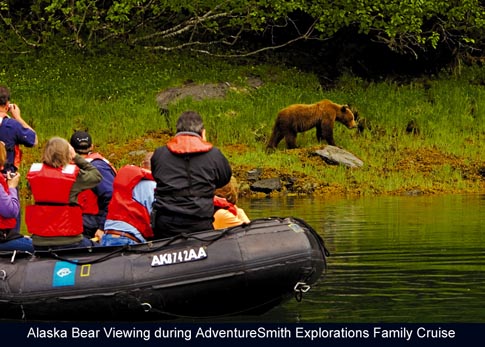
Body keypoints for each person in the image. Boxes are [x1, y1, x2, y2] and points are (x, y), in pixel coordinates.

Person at [151, 110, 232, 238]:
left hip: (165, 225)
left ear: (176, 132)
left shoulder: (160, 154)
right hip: (200, 223)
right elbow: (224, 179)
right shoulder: (214, 154)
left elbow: (156, 176)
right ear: (203, 132)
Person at [25, 137, 102, 250]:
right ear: (68, 154)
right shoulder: (74, 177)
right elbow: (97, 176)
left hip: (39, 240)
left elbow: (46, 174)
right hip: (70, 240)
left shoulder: (34, 176)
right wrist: (76, 157)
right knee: (98, 248)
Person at [0, 85, 38, 234]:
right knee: (11, 225)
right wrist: (18, 117)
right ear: (7, 105)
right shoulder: (11, 125)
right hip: (7, 180)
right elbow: (34, 140)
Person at [102, 152, 156, 246]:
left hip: (107, 235)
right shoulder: (152, 186)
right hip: (129, 239)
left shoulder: (125, 182)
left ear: (142, 164)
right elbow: (155, 218)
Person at [70, 131, 116, 239]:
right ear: (92, 146)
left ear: (71, 148)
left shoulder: (98, 167)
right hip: (79, 223)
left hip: (91, 225)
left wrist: (102, 227)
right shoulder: (99, 165)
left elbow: (111, 197)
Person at [0, 141, 34, 252]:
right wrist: (12, 187)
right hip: (2, 239)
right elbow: (11, 211)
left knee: (25, 239)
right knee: (38, 246)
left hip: (5, 236)